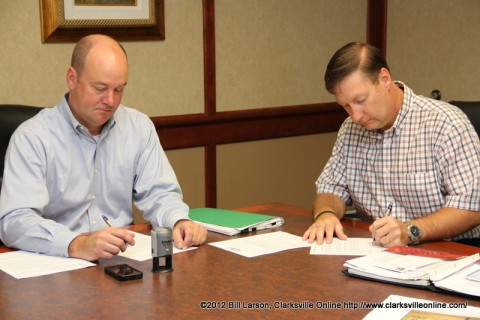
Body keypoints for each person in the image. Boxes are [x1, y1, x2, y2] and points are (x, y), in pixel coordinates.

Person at [0, 34, 207, 261]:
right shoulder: (32, 137)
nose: (110, 101)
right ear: (72, 78)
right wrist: (76, 243)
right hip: (58, 262)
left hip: (123, 259)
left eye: (118, 90)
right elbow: (15, 220)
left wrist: (178, 220)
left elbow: (159, 193)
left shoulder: (138, 127)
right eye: (100, 88)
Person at [303, 42, 480, 247]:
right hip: (379, 252)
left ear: (384, 79)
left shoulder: (445, 124)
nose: (356, 116)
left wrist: (412, 230)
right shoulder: (350, 129)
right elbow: (330, 189)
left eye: (361, 100)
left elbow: (473, 208)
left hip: (453, 251)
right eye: (346, 106)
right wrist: (326, 214)